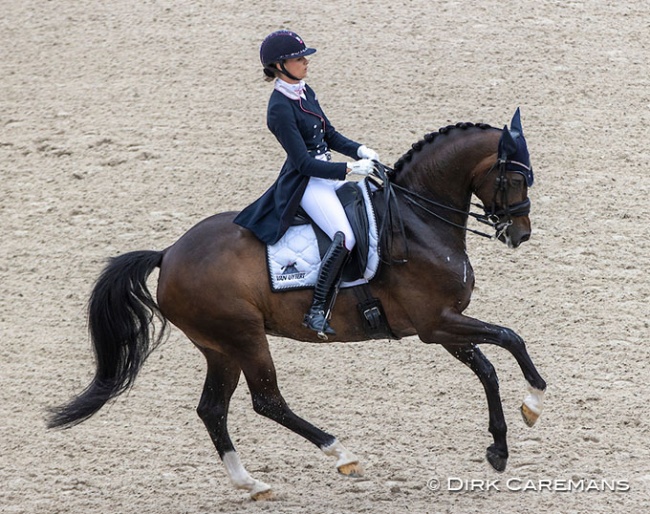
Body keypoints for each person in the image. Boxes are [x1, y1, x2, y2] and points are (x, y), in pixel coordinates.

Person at [233, 29, 380, 338]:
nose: (305, 62)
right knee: (345, 238)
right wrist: (351, 168)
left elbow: (330, 134)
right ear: (279, 65)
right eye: (299, 59)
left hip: (327, 172)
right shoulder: (279, 108)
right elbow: (302, 163)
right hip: (308, 183)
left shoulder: (304, 91)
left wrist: (359, 149)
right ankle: (317, 310)